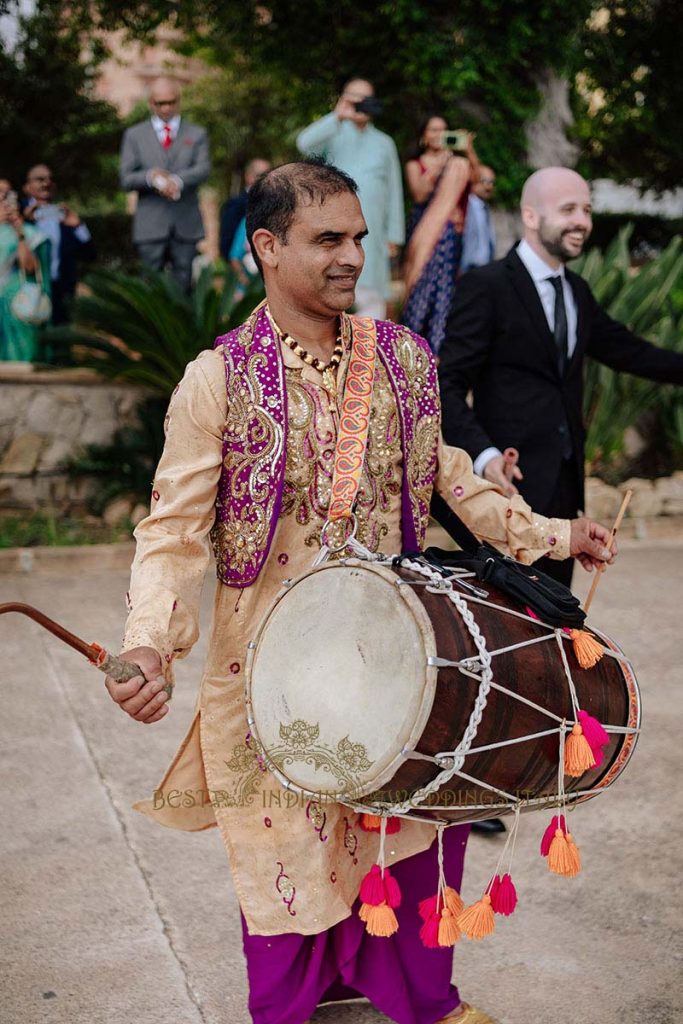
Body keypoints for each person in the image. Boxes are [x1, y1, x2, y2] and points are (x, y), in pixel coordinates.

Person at [105, 159, 616, 1024]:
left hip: (393, 648)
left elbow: (448, 477)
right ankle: (293, 1006)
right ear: (267, 247)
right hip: (269, 665)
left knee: (407, 823)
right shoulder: (218, 380)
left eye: (358, 239)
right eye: (326, 239)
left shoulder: (401, 359)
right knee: (288, 843)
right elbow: (173, 531)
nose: (351, 257)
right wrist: (150, 640)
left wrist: (551, 534)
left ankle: (422, 998)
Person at [439, 166, 683, 587]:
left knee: (559, 614)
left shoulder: (577, 291)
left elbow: (631, 352)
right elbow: (448, 384)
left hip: (566, 490)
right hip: (508, 490)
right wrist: (485, 455)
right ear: (531, 216)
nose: (582, 222)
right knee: (509, 618)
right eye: (569, 209)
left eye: (587, 210)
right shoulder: (486, 286)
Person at [296, 78, 404, 319]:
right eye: (355, 97)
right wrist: (337, 116)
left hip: (374, 231)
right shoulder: (331, 133)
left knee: (372, 293)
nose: (360, 103)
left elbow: (393, 188)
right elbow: (303, 144)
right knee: (336, 279)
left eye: (366, 99)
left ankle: (368, 337)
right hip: (335, 225)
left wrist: (394, 235)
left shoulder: (384, 143)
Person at [119, 77, 211, 293]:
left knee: (184, 286)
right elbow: (126, 178)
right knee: (149, 287)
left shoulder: (197, 134)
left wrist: (177, 181)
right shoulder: (134, 135)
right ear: (150, 103)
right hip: (150, 225)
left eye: (171, 102)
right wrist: (151, 178)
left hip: (186, 223)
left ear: (179, 101)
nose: (166, 108)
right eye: (160, 103)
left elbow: (203, 169)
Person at [402, 116, 473, 355]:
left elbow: (479, 182)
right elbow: (420, 194)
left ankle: (437, 346)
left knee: (444, 287)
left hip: (449, 234)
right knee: (420, 281)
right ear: (423, 135)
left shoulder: (458, 163)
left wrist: (468, 151)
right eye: (433, 130)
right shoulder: (415, 164)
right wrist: (439, 166)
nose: (438, 135)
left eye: (443, 130)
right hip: (423, 229)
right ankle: (410, 342)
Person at [21, 164, 93, 325]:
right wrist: (25, 222)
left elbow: (89, 255)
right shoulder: (17, 213)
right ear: (27, 187)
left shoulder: (64, 216)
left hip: (61, 290)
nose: (46, 183)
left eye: (50, 179)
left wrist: (78, 226)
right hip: (27, 290)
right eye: (40, 179)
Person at [0, 177, 51, 361]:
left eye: (7, 194)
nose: (4, 200)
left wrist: (19, 233)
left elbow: (30, 269)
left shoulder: (30, 233)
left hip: (14, 310)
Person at [219, 157, 272, 263]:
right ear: (249, 176)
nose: (267, 180)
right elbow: (227, 238)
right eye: (262, 176)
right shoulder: (235, 205)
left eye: (269, 176)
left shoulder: (275, 203)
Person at [460, 165, 496, 273]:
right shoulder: (465, 206)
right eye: (485, 181)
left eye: (492, 182)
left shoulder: (485, 207)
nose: (489, 187)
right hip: (468, 267)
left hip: (485, 267)